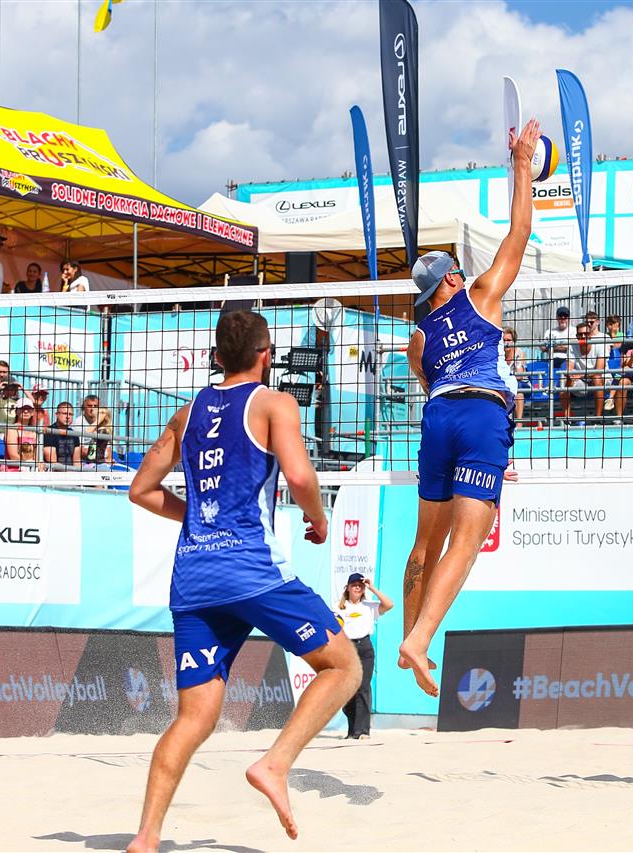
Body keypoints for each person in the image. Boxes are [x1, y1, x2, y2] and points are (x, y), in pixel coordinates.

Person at [125, 310, 358, 852]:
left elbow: (141, 490)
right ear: (265, 355)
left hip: (193, 579)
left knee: (194, 718)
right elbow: (299, 475)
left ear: (215, 357)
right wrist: (318, 518)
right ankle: (274, 765)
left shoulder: (187, 414)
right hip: (252, 570)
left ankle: (146, 835)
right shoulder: (275, 403)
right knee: (343, 666)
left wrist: (197, 518)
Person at [396, 120, 542, 697]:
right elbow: (520, 230)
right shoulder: (481, 295)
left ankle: (410, 640)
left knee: (424, 545)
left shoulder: (419, 337)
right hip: (481, 415)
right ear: (453, 278)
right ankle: (420, 639)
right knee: (466, 542)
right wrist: (522, 164)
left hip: (437, 418)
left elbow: (428, 378)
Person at [333, 573, 394, 740]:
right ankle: (352, 730)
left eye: (360, 585)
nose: (357, 587)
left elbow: (389, 604)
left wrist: (372, 587)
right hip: (346, 648)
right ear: (348, 588)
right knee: (348, 689)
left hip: (365, 648)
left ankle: (363, 731)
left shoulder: (369, 606)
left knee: (363, 687)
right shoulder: (338, 607)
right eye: (354, 584)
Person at [561, 322, 606, 422]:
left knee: (597, 379)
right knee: (566, 381)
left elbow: (599, 371)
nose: (583, 336)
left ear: (591, 335)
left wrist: (581, 374)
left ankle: (598, 418)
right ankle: (567, 418)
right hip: (582, 381)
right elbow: (569, 368)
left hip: (600, 380)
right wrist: (571, 375)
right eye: (580, 334)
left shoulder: (599, 345)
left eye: (586, 333)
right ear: (577, 336)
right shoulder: (572, 346)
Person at [2, 399, 42, 471]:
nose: (26, 411)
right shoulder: (12, 429)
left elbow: (37, 456)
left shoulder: (34, 432)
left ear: (33, 412)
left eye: (29, 409)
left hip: (29, 468)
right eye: (22, 408)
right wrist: (30, 464)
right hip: (12, 469)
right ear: (16, 411)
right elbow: (13, 456)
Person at [43, 401, 82, 468]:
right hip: (54, 472)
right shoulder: (49, 433)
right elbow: (52, 462)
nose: (68, 417)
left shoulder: (74, 434)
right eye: (64, 413)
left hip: (72, 472)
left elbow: (77, 461)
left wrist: (77, 473)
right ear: (56, 414)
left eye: (70, 414)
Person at [501, 327, 528, 422]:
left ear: (513, 341)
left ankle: (519, 422)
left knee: (518, 390)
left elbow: (520, 375)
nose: (506, 343)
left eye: (508, 340)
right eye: (503, 340)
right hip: (503, 383)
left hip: (521, 382)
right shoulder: (498, 353)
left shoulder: (519, 353)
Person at [543, 306, 572, 377]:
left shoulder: (574, 331)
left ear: (569, 318)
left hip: (567, 360)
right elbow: (543, 348)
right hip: (551, 360)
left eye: (565, 316)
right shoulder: (549, 331)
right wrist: (563, 347)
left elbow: (571, 348)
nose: (563, 318)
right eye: (560, 316)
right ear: (557, 317)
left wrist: (552, 347)